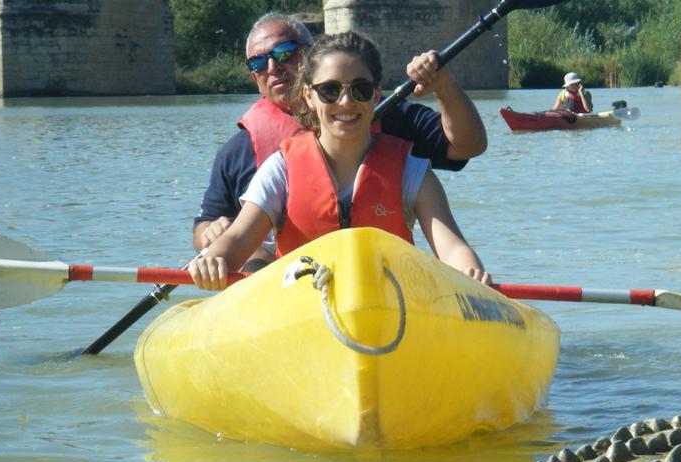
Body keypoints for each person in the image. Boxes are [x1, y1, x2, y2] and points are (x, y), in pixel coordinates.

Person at [188, 31, 490, 292]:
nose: (346, 102)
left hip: (389, 309)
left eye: (360, 89)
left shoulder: (412, 172)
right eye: (330, 90)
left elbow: (452, 248)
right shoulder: (280, 171)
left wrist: (470, 275)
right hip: (300, 312)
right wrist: (212, 262)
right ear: (308, 96)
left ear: (376, 95)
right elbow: (236, 241)